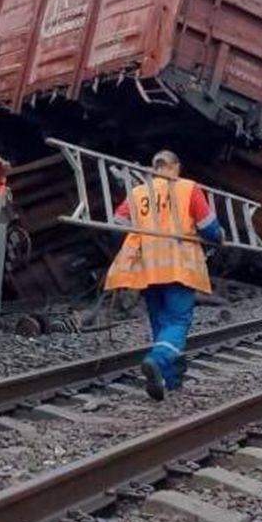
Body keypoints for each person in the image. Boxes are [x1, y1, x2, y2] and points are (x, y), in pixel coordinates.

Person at [105, 150, 222, 400]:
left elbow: (117, 222)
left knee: (160, 324)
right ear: (175, 167)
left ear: (154, 166)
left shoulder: (139, 192)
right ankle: (157, 362)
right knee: (178, 322)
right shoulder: (187, 188)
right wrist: (220, 236)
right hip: (179, 267)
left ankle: (169, 381)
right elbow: (208, 228)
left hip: (148, 269)